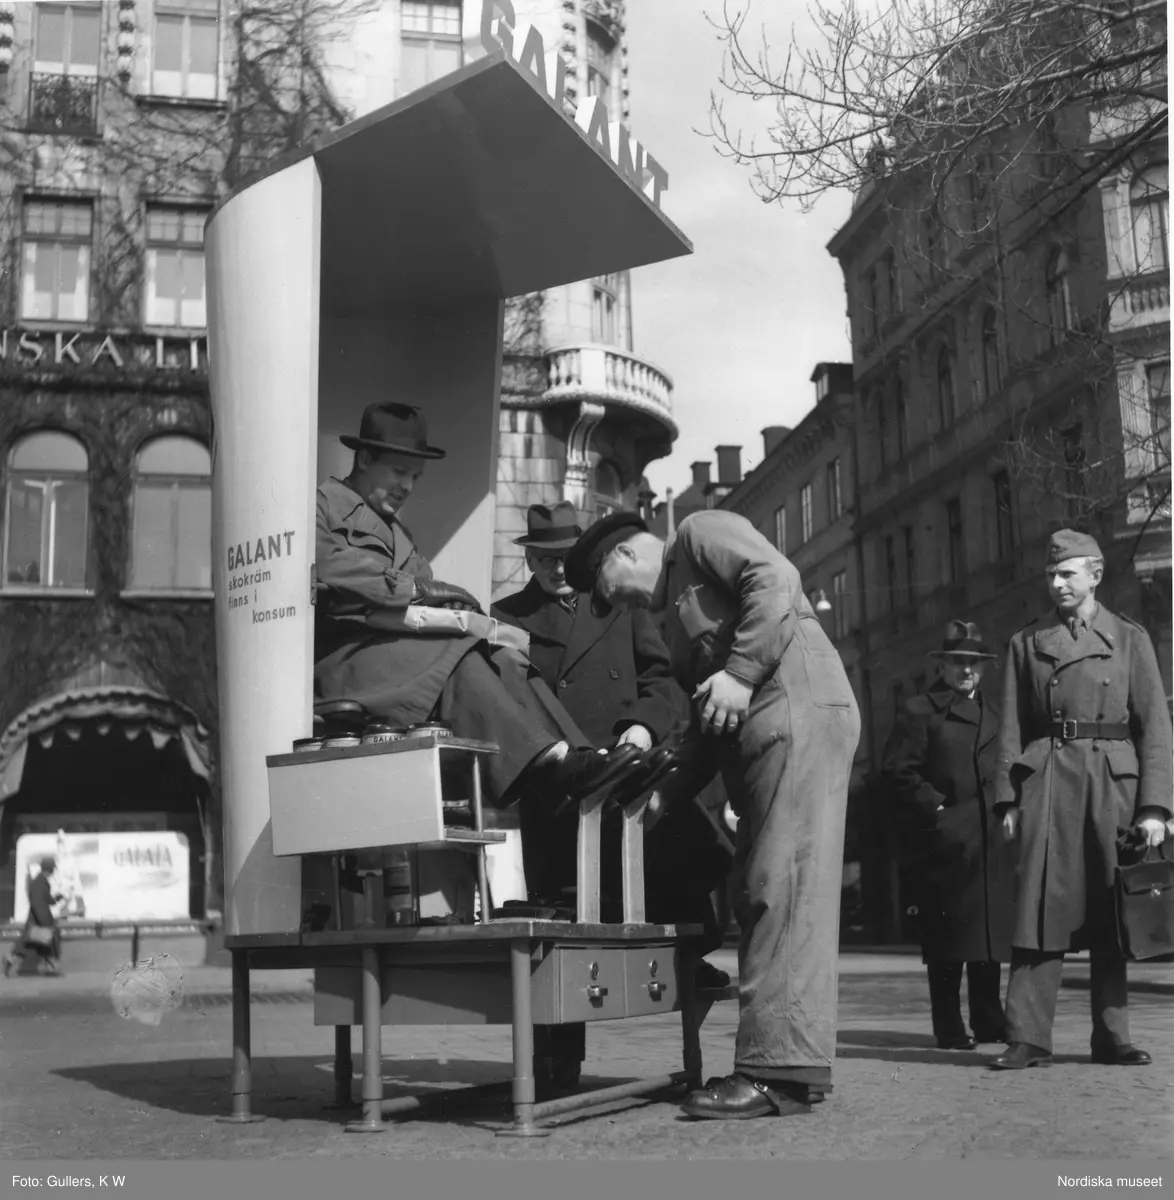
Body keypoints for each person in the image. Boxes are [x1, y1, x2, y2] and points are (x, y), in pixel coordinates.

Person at [564, 509, 860, 1119]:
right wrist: (665, 793)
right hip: (765, 730)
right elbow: (711, 715)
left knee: (782, 889)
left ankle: (773, 1073)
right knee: (769, 889)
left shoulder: (698, 534)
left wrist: (742, 672)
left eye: (606, 591)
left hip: (792, 714)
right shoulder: (673, 615)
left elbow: (776, 578)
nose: (617, 604)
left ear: (618, 559)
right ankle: (790, 1065)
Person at [314, 402, 655, 817]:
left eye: (415, 477)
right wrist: (416, 588)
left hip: (394, 658)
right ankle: (556, 763)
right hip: (347, 658)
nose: (408, 487)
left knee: (505, 657)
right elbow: (328, 567)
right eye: (399, 472)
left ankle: (582, 760)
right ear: (365, 458)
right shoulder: (321, 506)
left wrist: (448, 602)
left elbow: (422, 592)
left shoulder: (398, 533)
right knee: (460, 655)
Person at [492, 502, 732, 1089]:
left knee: (685, 874)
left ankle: (692, 1009)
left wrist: (643, 728)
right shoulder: (506, 615)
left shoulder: (619, 607)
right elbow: (509, 704)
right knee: (557, 924)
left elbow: (659, 679)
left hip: (624, 775)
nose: (552, 569)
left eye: (560, 559)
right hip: (555, 786)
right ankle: (554, 1059)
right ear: (526, 556)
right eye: (541, 558)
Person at [990, 529, 1173, 1071]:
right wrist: (1006, 799)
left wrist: (1156, 807)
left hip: (1113, 783)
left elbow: (1156, 729)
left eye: (1067, 573)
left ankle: (1112, 1036)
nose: (1057, 583)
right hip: (1048, 779)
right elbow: (1011, 724)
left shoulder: (1130, 638)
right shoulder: (1028, 642)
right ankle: (1027, 1035)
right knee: (1038, 907)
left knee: (1113, 911)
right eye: (1051, 575)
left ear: (1095, 575)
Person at [882, 621, 1015, 1050]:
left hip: (992, 837)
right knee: (946, 941)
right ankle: (949, 1025)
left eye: (974, 664)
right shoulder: (920, 710)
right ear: (942, 665)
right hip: (946, 842)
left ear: (985, 668)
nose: (967, 671)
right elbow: (898, 770)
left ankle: (989, 1019)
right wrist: (937, 808)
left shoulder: (997, 713)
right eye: (958, 663)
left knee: (987, 936)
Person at [4, 857, 63, 978]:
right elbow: (38, 904)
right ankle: (49, 967)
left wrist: (56, 898)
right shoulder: (39, 883)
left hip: (36, 919)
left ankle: (11, 960)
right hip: (38, 920)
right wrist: (45, 922)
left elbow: (46, 900)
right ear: (50, 869)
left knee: (32, 944)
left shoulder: (40, 882)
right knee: (38, 942)